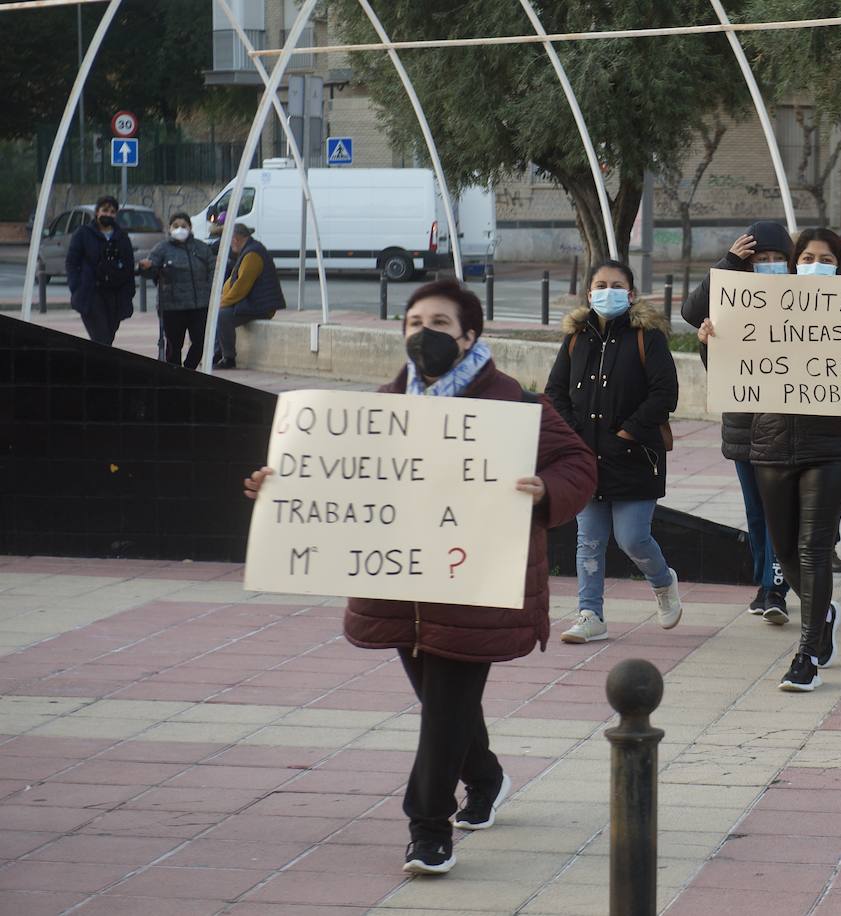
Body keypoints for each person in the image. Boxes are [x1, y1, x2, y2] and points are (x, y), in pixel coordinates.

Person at [244, 279, 597, 875]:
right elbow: (342, 479)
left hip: (477, 588)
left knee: (445, 710)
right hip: (401, 590)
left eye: (439, 324)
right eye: (414, 323)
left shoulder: (512, 405)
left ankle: (429, 829)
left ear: (469, 336)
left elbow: (577, 464)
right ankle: (485, 778)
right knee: (445, 707)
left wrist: (545, 491)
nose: (423, 334)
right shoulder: (381, 409)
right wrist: (281, 487)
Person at [698, 228, 841, 692]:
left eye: (825, 259)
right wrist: (711, 343)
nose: (814, 266)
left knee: (813, 547)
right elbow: (735, 375)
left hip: (834, 447)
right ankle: (822, 615)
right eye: (806, 258)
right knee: (785, 549)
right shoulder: (766, 307)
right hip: (771, 444)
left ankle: (805, 656)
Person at [545, 259, 684, 643]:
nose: (609, 292)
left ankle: (663, 582)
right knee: (588, 541)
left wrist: (626, 434)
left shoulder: (647, 337)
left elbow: (664, 394)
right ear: (589, 293)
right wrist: (574, 436)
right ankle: (590, 614)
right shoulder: (576, 338)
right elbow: (555, 391)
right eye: (601, 285)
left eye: (617, 285)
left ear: (631, 293)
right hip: (586, 458)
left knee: (632, 538)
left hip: (634, 457)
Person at [682, 221, 793, 623]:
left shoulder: (808, 301)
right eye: (761, 259)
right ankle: (765, 584)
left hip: (788, 429)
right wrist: (728, 263)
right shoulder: (732, 302)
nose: (769, 265)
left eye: (777, 259)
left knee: (780, 511)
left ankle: (777, 587)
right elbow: (692, 312)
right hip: (745, 426)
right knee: (757, 512)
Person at [140, 212, 213, 369]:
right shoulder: (162, 249)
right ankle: (174, 373)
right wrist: (146, 267)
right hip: (172, 307)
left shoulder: (201, 248)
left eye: (184, 226)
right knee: (174, 345)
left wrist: (208, 291)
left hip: (199, 305)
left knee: (200, 341)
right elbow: (151, 271)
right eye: (176, 226)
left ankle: (189, 370)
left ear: (190, 228)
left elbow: (213, 270)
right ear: (170, 228)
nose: (180, 229)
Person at [66, 196, 135, 345]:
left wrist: (128, 294)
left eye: (112, 212)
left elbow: (129, 267)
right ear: (97, 212)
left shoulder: (122, 237)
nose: (108, 214)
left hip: (115, 295)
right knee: (101, 338)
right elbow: (72, 262)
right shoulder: (83, 233)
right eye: (105, 210)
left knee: (109, 337)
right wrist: (76, 287)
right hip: (91, 293)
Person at [215, 223, 285, 369]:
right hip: (252, 303)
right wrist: (222, 299)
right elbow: (233, 281)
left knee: (222, 315)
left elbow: (241, 287)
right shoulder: (248, 251)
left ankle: (228, 358)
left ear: (235, 238)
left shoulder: (252, 255)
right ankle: (216, 354)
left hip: (261, 306)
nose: (229, 244)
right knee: (219, 313)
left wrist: (222, 303)